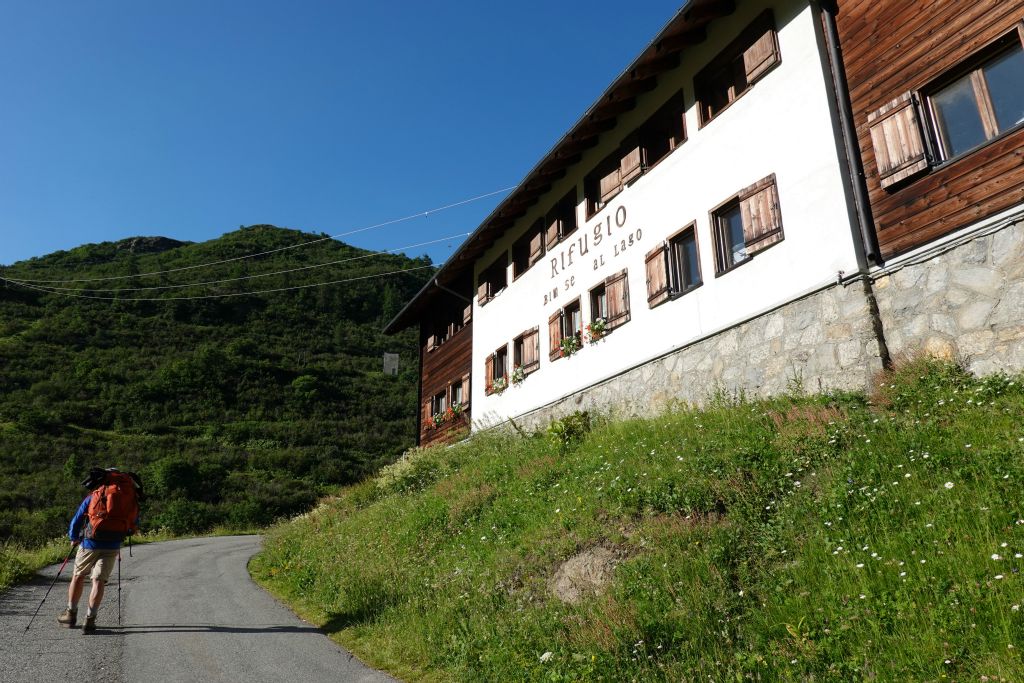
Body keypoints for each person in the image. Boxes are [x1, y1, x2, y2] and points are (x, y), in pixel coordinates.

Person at [58, 468, 141, 632]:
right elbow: (134, 521)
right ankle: (90, 619)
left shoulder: (95, 495)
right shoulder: (128, 497)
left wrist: (74, 537)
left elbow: (77, 518)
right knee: (98, 581)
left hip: (90, 542)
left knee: (78, 576)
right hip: (113, 544)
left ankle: (70, 614)